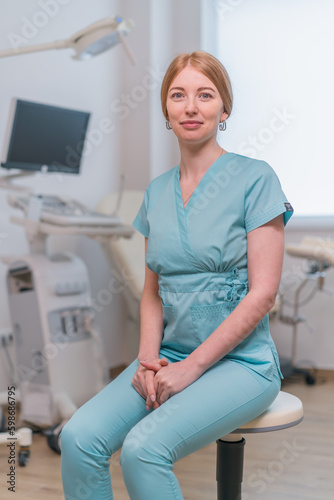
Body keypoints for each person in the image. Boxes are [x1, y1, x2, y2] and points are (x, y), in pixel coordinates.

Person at [60, 51, 293, 500]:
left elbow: (262, 295)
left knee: (143, 449)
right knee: (78, 438)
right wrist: (149, 361)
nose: (191, 106)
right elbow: (152, 293)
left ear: (224, 109)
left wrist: (192, 368)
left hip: (241, 365)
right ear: (166, 110)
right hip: (167, 355)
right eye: (178, 95)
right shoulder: (156, 191)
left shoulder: (256, 178)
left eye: (205, 95)